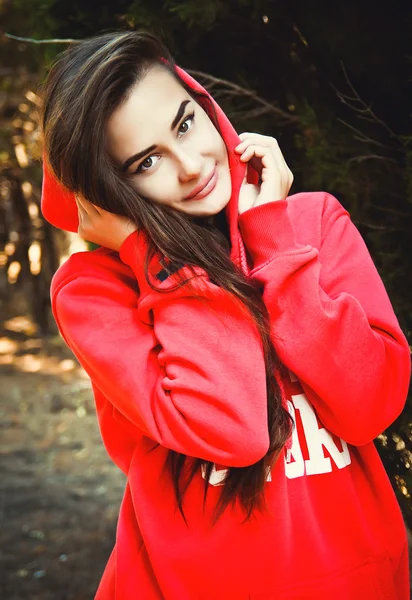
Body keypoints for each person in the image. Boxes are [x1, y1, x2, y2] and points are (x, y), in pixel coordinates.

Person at [40, 30, 411, 600]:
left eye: (185, 124)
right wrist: (156, 260)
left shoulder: (312, 224)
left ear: (206, 107)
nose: (190, 167)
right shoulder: (95, 290)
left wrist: (276, 247)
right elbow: (231, 429)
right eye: (146, 162)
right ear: (107, 191)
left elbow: (371, 406)